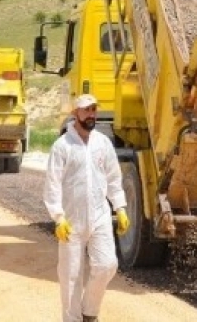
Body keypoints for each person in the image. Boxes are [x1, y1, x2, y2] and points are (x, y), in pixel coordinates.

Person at [43, 94, 130, 322]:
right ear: (75, 114)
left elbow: (113, 177)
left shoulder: (103, 143)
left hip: (100, 215)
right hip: (72, 220)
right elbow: (52, 183)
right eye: (86, 110)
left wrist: (119, 207)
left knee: (107, 265)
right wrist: (58, 217)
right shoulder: (62, 146)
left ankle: (89, 312)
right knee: (71, 277)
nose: (91, 114)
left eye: (93, 110)